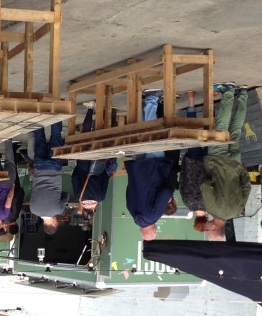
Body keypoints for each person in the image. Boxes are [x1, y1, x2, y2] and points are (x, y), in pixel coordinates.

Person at [196, 86, 251, 240]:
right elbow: (206, 185)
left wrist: (240, 168)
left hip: (235, 163)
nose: (206, 227)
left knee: (236, 130)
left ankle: (243, 94)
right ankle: (228, 92)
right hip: (217, 161)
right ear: (214, 228)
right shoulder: (212, 209)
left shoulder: (237, 210)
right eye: (208, 230)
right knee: (221, 127)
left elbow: (246, 186)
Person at [125, 89, 180, 240]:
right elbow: (129, 191)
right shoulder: (132, 212)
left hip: (154, 169)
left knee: (153, 137)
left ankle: (151, 100)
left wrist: (169, 196)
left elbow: (165, 193)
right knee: (144, 138)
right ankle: (142, 103)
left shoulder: (153, 215)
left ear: (154, 228)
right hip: (138, 170)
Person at [70, 104, 118, 219]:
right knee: (85, 136)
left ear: (93, 210)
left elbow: (105, 178)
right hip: (83, 165)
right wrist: (79, 167)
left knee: (105, 138)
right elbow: (74, 178)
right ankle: (90, 108)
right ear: (83, 209)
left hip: (99, 166)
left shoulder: (100, 197)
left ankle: (111, 112)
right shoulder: (79, 196)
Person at [28, 122, 69, 234]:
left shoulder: (58, 210)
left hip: (54, 168)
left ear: (54, 223)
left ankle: (56, 116)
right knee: (39, 139)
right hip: (39, 168)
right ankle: (38, 117)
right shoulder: (33, 209)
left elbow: (66, 195)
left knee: (55, 137)